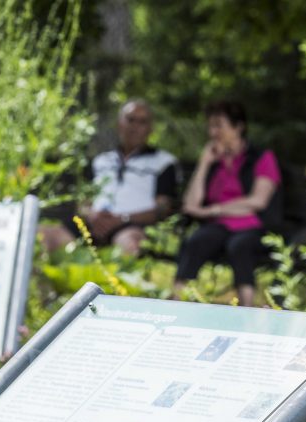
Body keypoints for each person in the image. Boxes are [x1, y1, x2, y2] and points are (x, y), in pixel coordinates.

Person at [173, 100, 282, 307]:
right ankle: (176, 302)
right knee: (196, 240)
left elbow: (258, 201)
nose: (213, 132)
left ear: (238, 127)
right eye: (210, 126)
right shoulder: (215, 161)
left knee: (239, 246)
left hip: (254, 224)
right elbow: (191, 204)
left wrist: (212, 210)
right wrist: (204, 163)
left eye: (219, 126)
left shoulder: (261, 158)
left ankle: (246, 309)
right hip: (220, 225)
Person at [41, 100, 180, 257]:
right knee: (42, 235)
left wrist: (122, 219)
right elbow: (83, 202)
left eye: (142, 122)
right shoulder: (101, 160)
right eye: (130, 120)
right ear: (119, 124)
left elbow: (162, 209)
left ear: (150, 128)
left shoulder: (164, 163)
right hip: (91, 224)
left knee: (131, 245)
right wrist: (92, 215)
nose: (135, 127)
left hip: (130, 227)